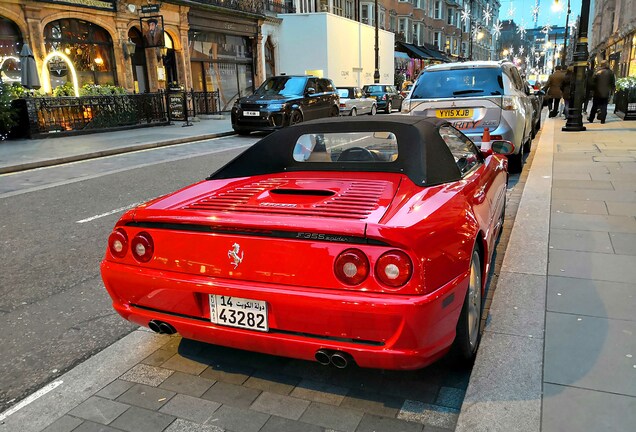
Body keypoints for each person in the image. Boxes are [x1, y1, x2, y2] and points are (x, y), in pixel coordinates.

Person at [588, 60, 615, 124]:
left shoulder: (597, 72)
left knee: (594, 106)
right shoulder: (610, 72)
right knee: (604, 106)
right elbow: (612, 83)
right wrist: (612, 90)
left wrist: (592, 90)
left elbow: (593, 82)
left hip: (597, 91)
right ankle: (603, 119)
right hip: (606, 92)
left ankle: (591, 118)